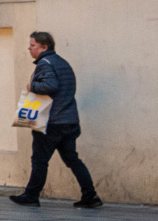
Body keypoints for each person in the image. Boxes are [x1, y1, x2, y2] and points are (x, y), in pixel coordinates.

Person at [12, 31, 102, 209]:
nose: (29, 48)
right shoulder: (62, 63)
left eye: (33, 45)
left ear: (44, 47)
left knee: (39, 160)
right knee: (72, 159)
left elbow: (50, 86)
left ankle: (31, 195)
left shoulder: (45, 64)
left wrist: (32, 86)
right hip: (69, 121)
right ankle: (90, 195)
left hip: (51, 122)